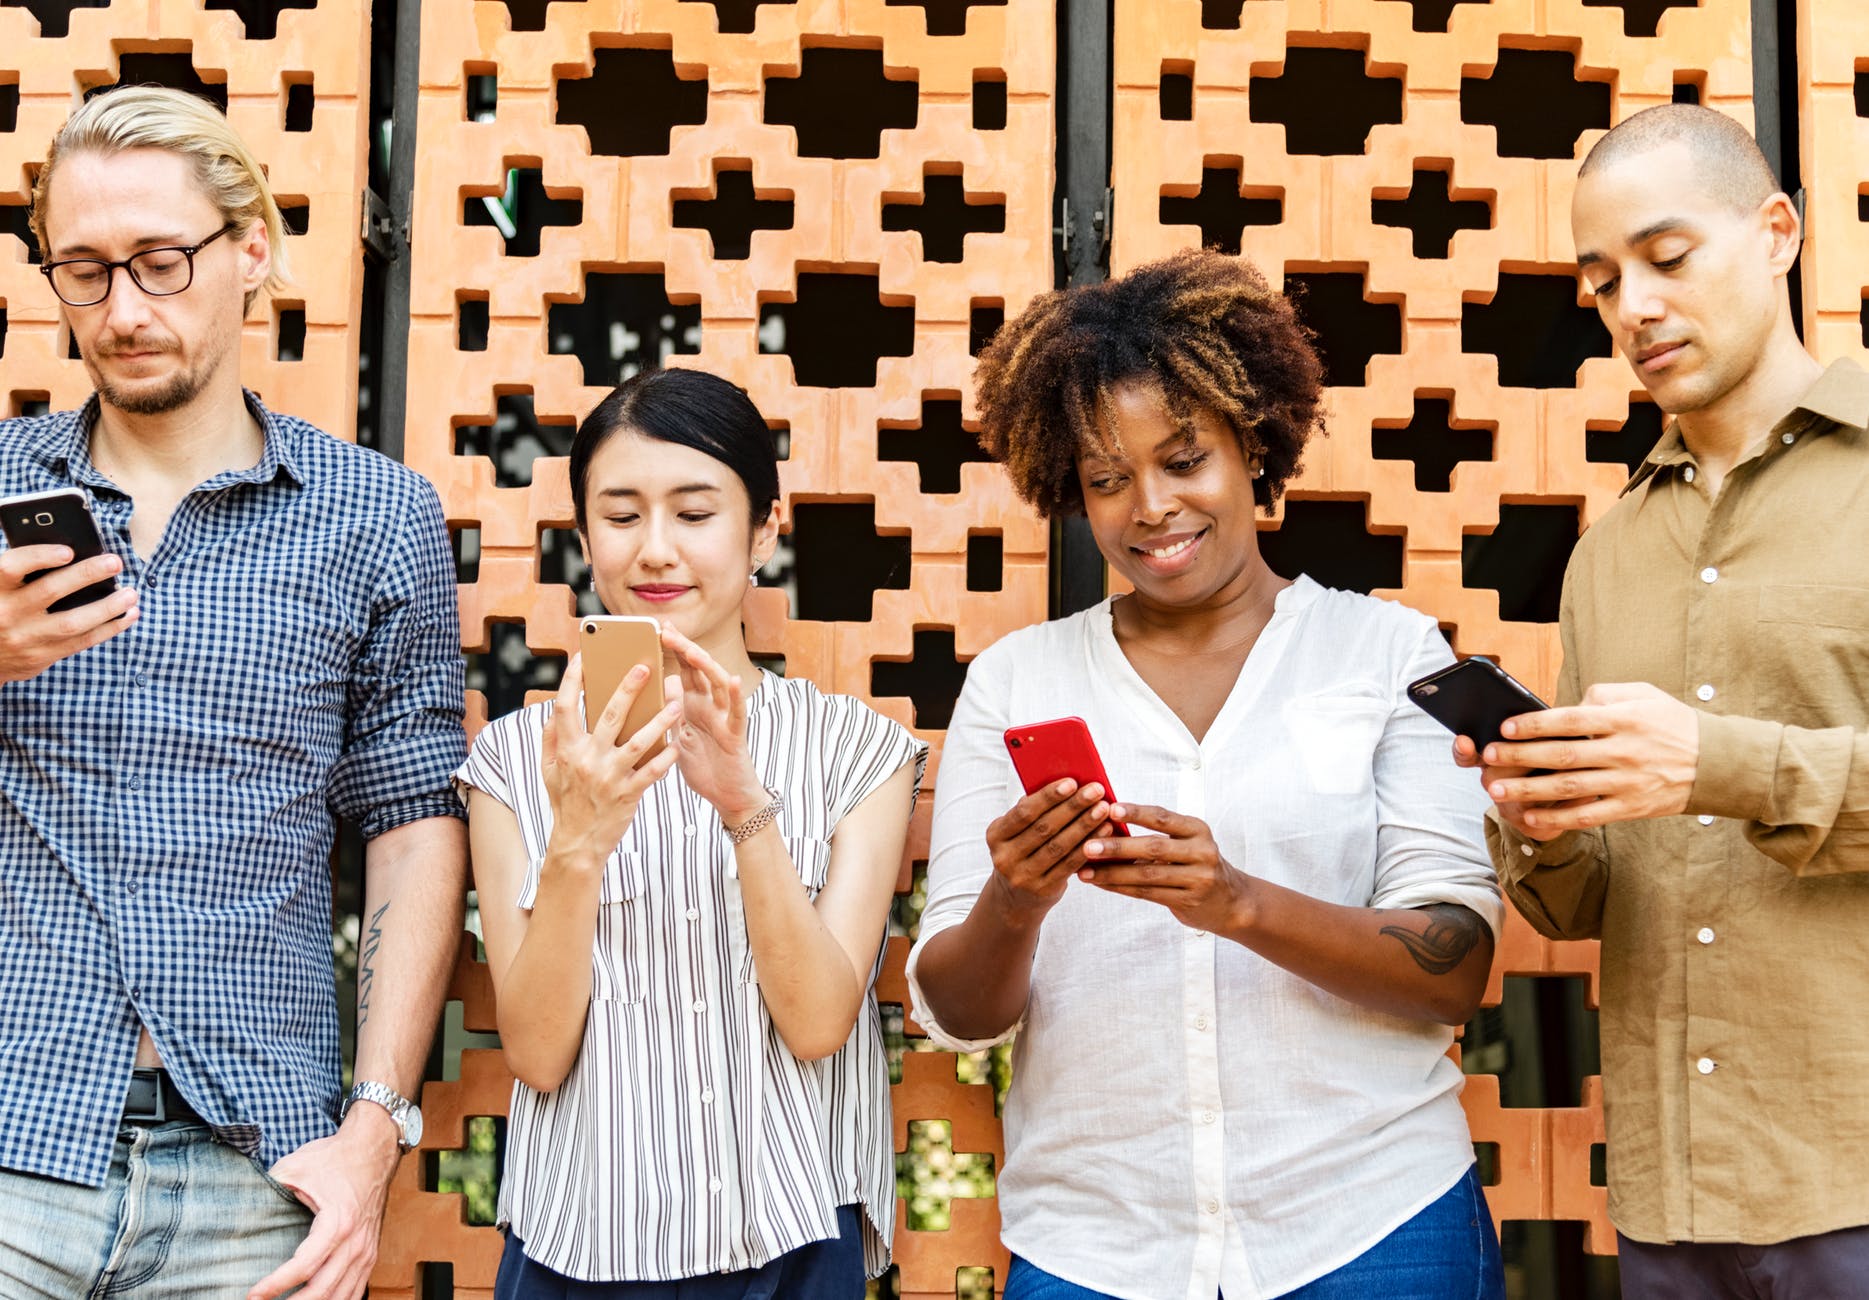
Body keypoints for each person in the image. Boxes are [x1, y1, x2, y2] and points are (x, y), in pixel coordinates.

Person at [908, 247, 1507, 1300]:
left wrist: (1239, 902)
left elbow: (1454, 966)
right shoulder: (1017, 681)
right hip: (1098, 1243)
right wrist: (1015, 900)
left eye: (1185, 458)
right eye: (1107, 478)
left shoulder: (1388, 656)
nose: (1150, 506)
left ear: (1254, 445)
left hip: (1371, 1224)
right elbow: (960, 1012)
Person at [0, 87, 468, 1300]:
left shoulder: (377, 515)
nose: (125, 310)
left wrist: (374, 1133)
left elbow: (414, 827)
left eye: (161, 260)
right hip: (12, 1141)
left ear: (251, 246)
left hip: (256, 1169)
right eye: (84, 271)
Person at [1463, 102, 1869, 1294]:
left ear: (1778, 231)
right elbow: (1590, 904)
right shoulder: (1610, 551)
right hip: (1671, 1197)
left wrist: (1719, 765)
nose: (1632, 307)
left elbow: (1710, 773)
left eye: (1667, 257)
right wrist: (1537, 821)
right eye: (1600, 282)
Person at [455, 366, 927, 1298]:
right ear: (585, 535)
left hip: (792, 1232)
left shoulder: (858, 750)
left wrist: (745, 809)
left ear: (763, 528)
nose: (656, 550)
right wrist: (580, 840)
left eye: (696, 513)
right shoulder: (515, 760)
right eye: (622, 516)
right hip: (577, 1241)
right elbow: (538, 1051)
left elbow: (818, 1022)